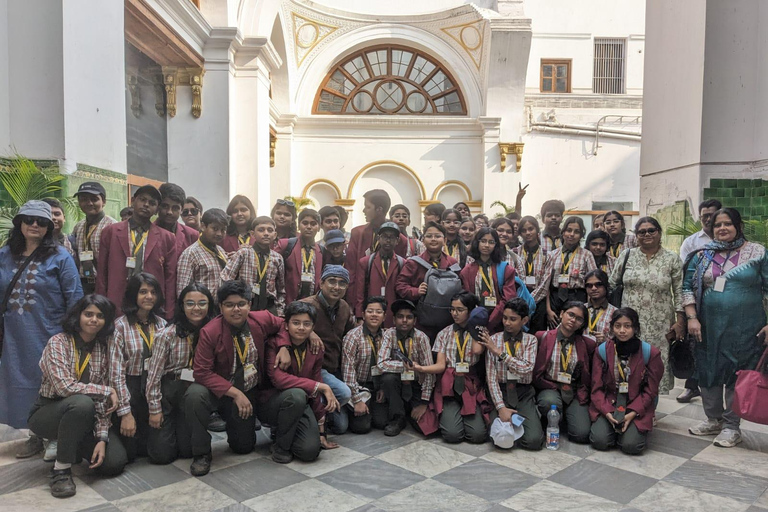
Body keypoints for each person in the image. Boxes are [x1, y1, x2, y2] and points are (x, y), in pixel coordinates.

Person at [1, 201, 83, 459]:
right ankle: (35, 434)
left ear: (49, 227)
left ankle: (54, 435)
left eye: (41, 221)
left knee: (49, 383)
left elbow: (75, 298)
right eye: (29, 219)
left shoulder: (60, 257)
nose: (34, 225)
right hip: (14, 336)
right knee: (19, 383)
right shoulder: (5, 255)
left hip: (50, 334)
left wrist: (73, 337)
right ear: (20, 223)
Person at [187, 280, 295, 474]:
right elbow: (201, 371)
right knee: (195, 394)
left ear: (249, 304)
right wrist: (235, 393)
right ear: (220, 307)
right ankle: (201, 453)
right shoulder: (210, 332)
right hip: (222, 392)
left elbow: (284, 325)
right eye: (229, 305)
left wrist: (285, 346)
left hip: (251, 389)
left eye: (241, 304)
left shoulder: (261, 319)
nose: (236, 310)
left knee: (243, 448)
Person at [683, 208, 768, 447]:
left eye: (727, 224)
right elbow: (687, 286)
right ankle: (713, 419)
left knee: (736, 373)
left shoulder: (758, 252)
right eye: (717, 225)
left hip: (746, 327)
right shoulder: (702, 255)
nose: (722, 228)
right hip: (707, 327)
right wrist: (691, 317)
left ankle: (732, 426)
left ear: (738, 226)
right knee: (708, 370)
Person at [28, 295, 127, 498]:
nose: (93, 320)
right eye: (88, 314)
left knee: (114, 463)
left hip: (86, 415)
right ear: (78, 316)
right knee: (81, 403)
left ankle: (72, 445)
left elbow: (102, 403)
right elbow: (64, 388)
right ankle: (61, 470)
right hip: (48, 411)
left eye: (100, 316)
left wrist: (101, 437)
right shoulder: (58, 343)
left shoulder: (102, 349)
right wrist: (107, 390)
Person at [610, 217, 684, 394]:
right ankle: (629, 403)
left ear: (659, 233)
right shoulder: (627, 255)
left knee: (654, 365)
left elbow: (680, 291)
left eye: (651, 230)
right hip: (628, 324)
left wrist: (680, 322)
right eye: (642, 232)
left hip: (660, 324)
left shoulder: (672, 259)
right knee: (629, 361)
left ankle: (650, 407)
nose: (647, 234)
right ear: (636, 236)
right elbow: (612, 284)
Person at [144, 283, 216, 467]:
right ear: (182, 306)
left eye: (202, 303)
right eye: (190, 303)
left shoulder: (213, 331)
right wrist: (155, 410)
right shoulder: (166, 334)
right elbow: (153, 376)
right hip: (168, 391)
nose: (196, 308)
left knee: (187, 451)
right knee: (161, 456)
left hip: (192, 392)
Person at [263, 301, 340, 463]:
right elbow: (278, 379)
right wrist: (319, 387)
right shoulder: (274, 343)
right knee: (297, 395)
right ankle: (280, 446)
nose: (301, 328)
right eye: (296, 323)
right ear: (286, 325)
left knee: (310, 451)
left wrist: (321, 431)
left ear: (313, 327)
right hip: (272, 403)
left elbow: (316, 379)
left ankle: (287, 434)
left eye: (307, 324)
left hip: (300, 403)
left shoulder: (316, 347)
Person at [415, 292, 490, 443]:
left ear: (470, 310)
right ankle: (453, 417)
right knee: (452, 436)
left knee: (477, 436)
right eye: (452, 309)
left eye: (460, 310)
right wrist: (421, 369)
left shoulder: (479, 331)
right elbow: (441, 365)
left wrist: (475, 323)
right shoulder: (444, 333)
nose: (454, 314)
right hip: (449, 385)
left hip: (470, 384)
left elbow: (477, 351)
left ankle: (469, 418)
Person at [109, 273, 168, 462]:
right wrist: (125, 413)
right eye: (143, 292)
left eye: (153, 292)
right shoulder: (120, 327)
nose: (149, 297)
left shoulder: (162, 324)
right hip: (130, 389)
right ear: (134, 294)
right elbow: (116, 374)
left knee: (160, 454)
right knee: (129, 455)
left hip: (155, 389)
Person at [589, 308, 663, 455]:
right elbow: (596, 388)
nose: (622, 330)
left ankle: (630, 430)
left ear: (635, 328)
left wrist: (633, 413)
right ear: (612, 328)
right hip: (610, 403)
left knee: (631, 446)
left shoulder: (650, 353)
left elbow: (651, 391)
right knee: (600, 441)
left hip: (635, 404)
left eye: (627, 326)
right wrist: (607, 412)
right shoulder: (602, 351)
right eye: (617, 326)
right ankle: (614, 428)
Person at [97, 185, 177, 319]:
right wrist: (101, 305)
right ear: (133, 201)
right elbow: (102, 273)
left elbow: (170, 278)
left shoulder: (167, 238)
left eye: (152, 203)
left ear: (157, 209)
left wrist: (168, 311)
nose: (146, 205)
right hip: (117, 300)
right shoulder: (110, 232)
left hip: (151, 303)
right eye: (142, 199)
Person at [479, 298, 544, 450]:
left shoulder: (531, 340)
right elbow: (491, 379)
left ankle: (524, 421)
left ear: (525, 320)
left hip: (523, 392)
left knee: (533, 442)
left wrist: (499, 352)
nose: (507, 323)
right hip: (501, 392)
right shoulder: (494, 339)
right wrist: (501, 407)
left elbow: (525, 368)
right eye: (505, 318)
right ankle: (508, 420)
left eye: (513, 319)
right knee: (500, 440)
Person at [676, 199, 722, 404]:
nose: (708, 219)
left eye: (712, 215)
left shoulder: (732, 240)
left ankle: (719, 390)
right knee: (696, 344)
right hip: (697, 302)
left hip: (725, 304)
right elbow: (685, 274)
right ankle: (692, 386)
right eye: (704, 215)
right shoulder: (692, 242)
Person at [300, 265, 356, 434]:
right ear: (321, 283)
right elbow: (283, 323)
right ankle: (310, 414)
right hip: (314, 368)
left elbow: (351, 333)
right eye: (331, 281)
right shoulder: (306, 305)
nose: (336, 287)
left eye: (342, 283)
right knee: (344, 393)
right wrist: (309, 332)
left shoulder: (344, 307)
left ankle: (319, 407)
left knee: (341, 427)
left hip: (335, 368)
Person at [534, 301, 595, 443]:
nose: (573, 320)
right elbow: (536, 372)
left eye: (579, 319)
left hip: (573, 389)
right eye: (571, 314)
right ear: (562, 314)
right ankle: (551, 417)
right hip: (550, 386)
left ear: (582, 324)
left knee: (581, 434)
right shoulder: (542, 337)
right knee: (549, 402)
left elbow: (587, 375)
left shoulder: (587, 344)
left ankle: (568, 417)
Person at [376, 299, 435, 436]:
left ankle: (411, 409)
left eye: (409, 317)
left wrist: (424, 403)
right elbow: (381, 364)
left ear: (414, 321)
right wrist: (407, 367)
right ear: (394, 319)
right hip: (397, 385)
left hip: (416, 386)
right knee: (388, 378)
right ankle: (398, 417)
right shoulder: (389, 334)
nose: (404, 320)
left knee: (425, 428)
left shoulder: (422, 338)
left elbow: (429, 372)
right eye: (400, 317)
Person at [395, 222, 459, 341]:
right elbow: (400, 286)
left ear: (444, 240)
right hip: (421, 321)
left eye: (437, 236)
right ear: (423, 240)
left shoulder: (453, 263)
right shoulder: (414, 263)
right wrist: (416, 291)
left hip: (448, 319)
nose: (433, 239)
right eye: (429, 236)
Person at [342, 296, 388, 434]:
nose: (374, 315)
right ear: (363, 314)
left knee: (382, 423)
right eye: (370, 311)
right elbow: (348, 372)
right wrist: (356, 400)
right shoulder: (353, 337)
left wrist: (383, 388)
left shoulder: (387, 336)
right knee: (362, 427)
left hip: (377, 386)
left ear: (384, 316)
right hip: (358, 387)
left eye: (378, 312)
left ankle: (372, 408)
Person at [222, 216, 286, 316]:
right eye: (261, 230)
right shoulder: (243, 253)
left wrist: (280, 312)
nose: (266, 233)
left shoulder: (277, 258)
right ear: (253, 234)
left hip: (269, 308)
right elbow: (226, 279)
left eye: (270, 230)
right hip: (245, 305)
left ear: (275, 234)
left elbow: (281, 290)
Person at [346, 189, 408, 288]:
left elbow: (400, 274)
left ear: (379, 209)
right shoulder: (357, 234)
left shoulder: (400, 240)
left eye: (368, 207)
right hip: (361, 291)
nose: (364, 210)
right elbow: (351, 271)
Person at [460, 227, 517, 333]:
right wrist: (478, 319)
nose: (486, 245)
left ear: (496, 245)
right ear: (477, 243)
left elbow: (508, 299)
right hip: (476, 321)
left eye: (491, 242)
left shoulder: (506, 269)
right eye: (483, 241)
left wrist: (491, 321)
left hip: (501, 321)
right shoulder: (467, 271)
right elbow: (467, 300)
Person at [543, 216, 597, 327]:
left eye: (576, 232)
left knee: (575, 330)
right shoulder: (552, 255)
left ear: (581, 235)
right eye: (569, 230)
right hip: (555, 297)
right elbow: (546, 285)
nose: (572, 234)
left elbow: (591, 283)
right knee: (554, 332)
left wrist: (588, 308)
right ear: (563, 232)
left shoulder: (586, 255)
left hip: (576, 296)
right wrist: (548, 310)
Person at [353, 222, 405, 328]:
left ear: (397, 240)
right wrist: (359, 315)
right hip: (372, 312)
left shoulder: (402, 263)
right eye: (385, 236)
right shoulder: (366, 262)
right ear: (378, 238)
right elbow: (360, 291)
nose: (388, 240)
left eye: (392, 237)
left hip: (392, 313)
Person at [72, 182, 117, 294]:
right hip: (83, 283)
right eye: (84, 199)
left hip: (105, 283)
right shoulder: (79, 226)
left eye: (94, 199)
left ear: (104, 201)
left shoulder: (113, 226)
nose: (89, 203)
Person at [176, 208, 229, 300]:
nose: (219, 234)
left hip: (221, 309)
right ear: (203, 226)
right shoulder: (190, 254)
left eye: (223, 230)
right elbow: (182, 291)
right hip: (201, 309)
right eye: (215, 229)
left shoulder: (221, 251)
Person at [277, 208, 323, 305]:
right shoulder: (287, 245)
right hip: (289, 302)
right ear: (299, 225)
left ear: (319, 227)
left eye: (313, 224)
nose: (309, 227)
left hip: (312, 303)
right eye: (305, 223)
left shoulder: (322, 251)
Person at [513, 216, 549, 332]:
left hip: (538, 301)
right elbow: (513, 279)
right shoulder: (514, 253)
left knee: (537, 333)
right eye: (524, 230)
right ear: (520, 233)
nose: (528, 233)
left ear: (537, 230)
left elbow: (545, 282)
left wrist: (530, 300)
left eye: (531, 229)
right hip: (518, 300)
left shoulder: (547, 255)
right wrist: (523, 299)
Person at [155, 183, 199, 255]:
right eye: (165, 206)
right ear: (158, 206)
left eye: (175, 208)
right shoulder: (147, 232)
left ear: (181, 210)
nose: (169, 212)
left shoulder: (192, 236)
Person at [584, 269, 617, 343]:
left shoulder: (615, 313)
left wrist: (606, 341)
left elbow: (621, 341)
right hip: (580, 352)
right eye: (589, 285)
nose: (593, 288)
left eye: (598, 284)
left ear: (606, 286)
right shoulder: (579, 310)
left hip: (605, 352)